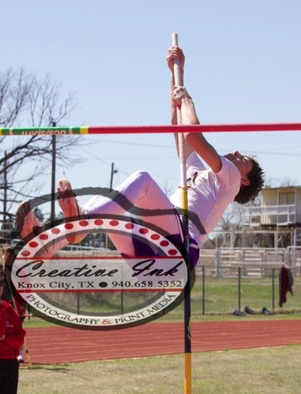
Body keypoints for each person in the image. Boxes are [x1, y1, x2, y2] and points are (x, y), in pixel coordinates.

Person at [15, 45, 264, 268]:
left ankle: (82, 223)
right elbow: (177, 124)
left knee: (143, 181)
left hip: (178, 249)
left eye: (243, 159)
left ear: (245, 180)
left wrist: (188, 100)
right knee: (109, 215)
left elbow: (193, 136)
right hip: (154, 251)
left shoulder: (229, 179)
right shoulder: (197, 168)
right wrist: (176, 73)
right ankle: (49, 245)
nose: (236, 153)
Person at [0, 228, 27, 364]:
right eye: (6, 255)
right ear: (3, 256)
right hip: (1, 304)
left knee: (16, 330)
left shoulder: (17, 270)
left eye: (11, 256)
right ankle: (0, 353)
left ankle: (19, 353)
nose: (8, 258)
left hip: (15, 304)